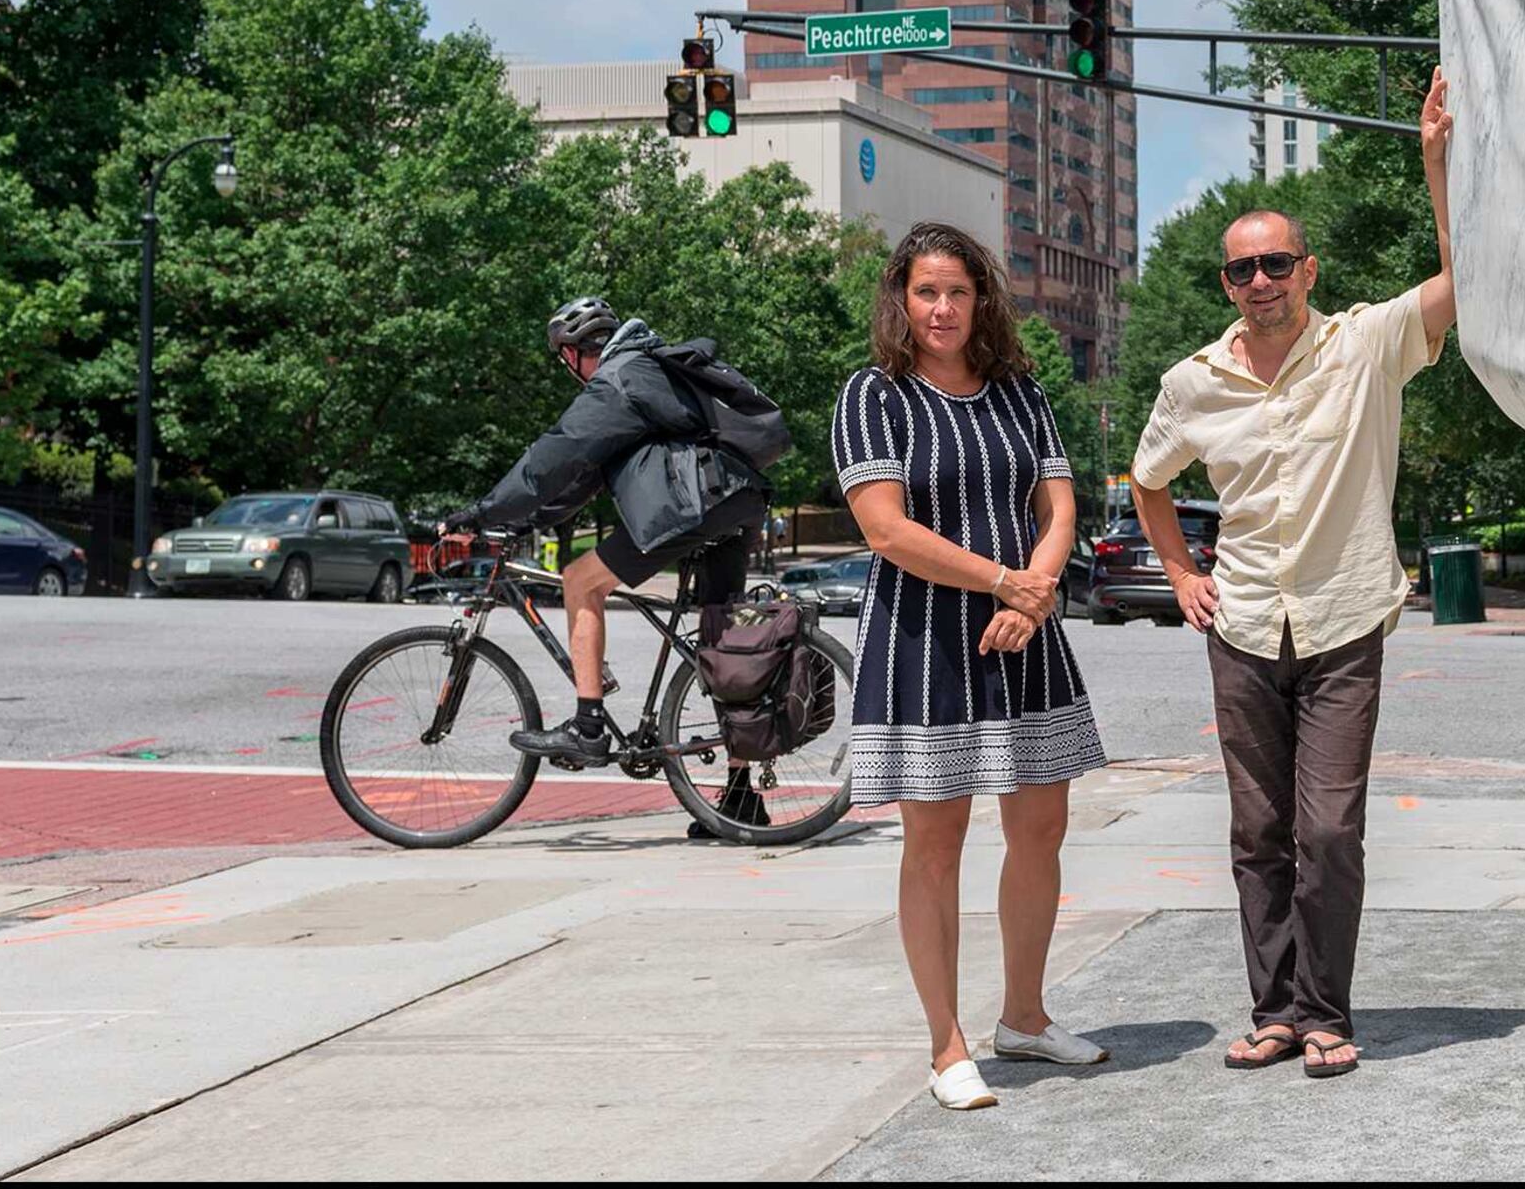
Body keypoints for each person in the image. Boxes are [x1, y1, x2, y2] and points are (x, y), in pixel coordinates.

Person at [1129, 69, 1457, 1081]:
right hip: (1242, 627)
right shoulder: (1194, 382)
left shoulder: (1366, 345)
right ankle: (1275, 1012)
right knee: (1258, 831)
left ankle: (1325, 1012)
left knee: (1328, 829)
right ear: (1225, 283)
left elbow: (1471, 281)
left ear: (1308, 272)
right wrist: (1184, 575)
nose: (1260, 280)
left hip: (1344, 618)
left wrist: (1436, 164)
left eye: (1276, 263)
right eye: (1242, 269)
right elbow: (1148, 482)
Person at [833, 222, 1108, 1113]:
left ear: (981, 297)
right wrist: (1006, 582)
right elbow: (886, 530)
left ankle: (1024, 1017)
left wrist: (1034, 597)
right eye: (925, 292)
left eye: (957, 291)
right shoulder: (872, 396)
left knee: (1041, 829)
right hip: (925, 643)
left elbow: (1059, 504)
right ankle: (947, 1044)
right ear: (901, 302)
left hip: (1024, 635)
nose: (943, 307)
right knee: (936, 843)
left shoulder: (1021, 394)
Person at [437, 297, 776, 834]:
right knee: (724, 644)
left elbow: (556, 456)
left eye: (563, 358)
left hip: (693, 504)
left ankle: (589, 725)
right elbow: (581, 478)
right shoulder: (648, 371)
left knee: (579, 581)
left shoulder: (618, 380)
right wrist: (522, 522)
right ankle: (740, 796)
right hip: (732, 500)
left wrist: (482, 512)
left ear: (574, 353)